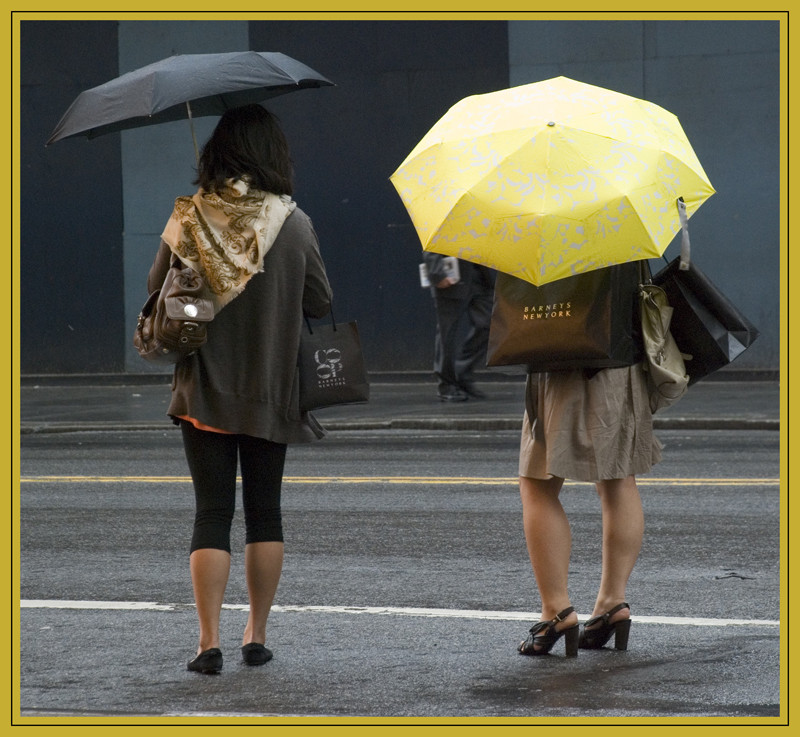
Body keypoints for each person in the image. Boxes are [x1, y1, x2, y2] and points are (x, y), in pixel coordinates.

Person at [146, 105, 332, 674]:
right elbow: (320, 302)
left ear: (217, 153)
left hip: (204, 390)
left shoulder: (190, 217)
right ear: (273, 155)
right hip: (272, 392)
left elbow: (157, 292)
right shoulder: (293, 222)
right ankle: (257, 632)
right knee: (264, 514)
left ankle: (208, 642)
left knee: (211, 513)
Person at [516, 364, 662, 657]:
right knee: (618, 476)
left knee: (537, 482)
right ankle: (612, 603)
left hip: (563, 356)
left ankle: (556, 612)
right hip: (620, 358)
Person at [422, 253, 495, 401]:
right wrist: (437, 273)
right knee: (446, 334)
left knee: (489, 324)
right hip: (450, 275)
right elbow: (432, 239)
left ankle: (462, 371)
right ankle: (446, 385)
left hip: (478, 276)